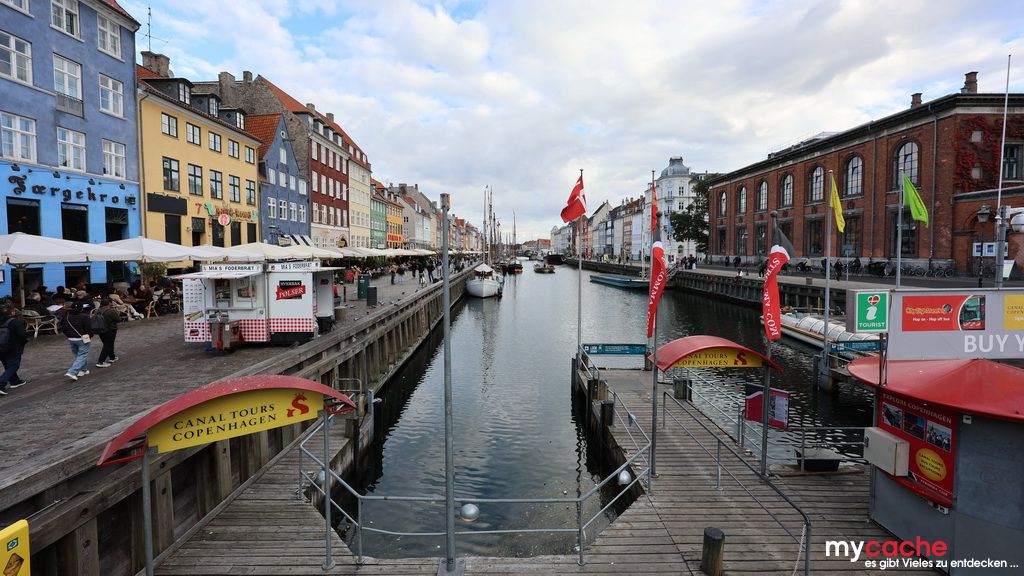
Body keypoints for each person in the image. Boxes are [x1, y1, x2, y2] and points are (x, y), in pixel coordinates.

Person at [0, 306, 29, 395]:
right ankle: (1, 383)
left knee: (7, 364)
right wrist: (23, 343)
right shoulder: (15, 322)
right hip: (13, 347)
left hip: (1, 348)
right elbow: (22, 335)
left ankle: (15, 381)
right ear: (12, 312)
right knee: (14, 365)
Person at [60, 302, 93, 381]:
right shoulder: (85, 316)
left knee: (78, 354)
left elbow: (63, 328)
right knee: (82, 355)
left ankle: (83, 370)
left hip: (71, 338)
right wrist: (90, 335)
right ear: (81, 308)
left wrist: (68, 335)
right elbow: (88, 328)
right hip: (82, 338)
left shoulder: (67, 316)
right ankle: (72, 372)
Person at [95, 298, 120, 368]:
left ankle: (112, 357)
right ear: (109, 303)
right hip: (111, 329)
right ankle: (101, 361)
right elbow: (118, 319)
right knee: (108, 345)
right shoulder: (111, 310)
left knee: (108, 344)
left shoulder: (97, 311)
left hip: (100, 329)